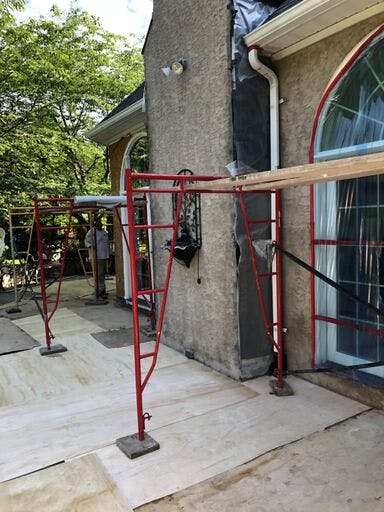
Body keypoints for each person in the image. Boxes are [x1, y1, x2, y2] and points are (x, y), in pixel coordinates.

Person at [85, 218, 110, 299]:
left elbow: (107, 244)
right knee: (98, 274)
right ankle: (98, 290)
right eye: (98, 224)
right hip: (96, 256)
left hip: (103, 256)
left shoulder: (104, 232)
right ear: (95, 224)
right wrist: (91, 246)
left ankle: (102, 289)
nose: (100, 225)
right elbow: (86, 241)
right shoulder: (91, 232)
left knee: (102, 273)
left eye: (101, 224)